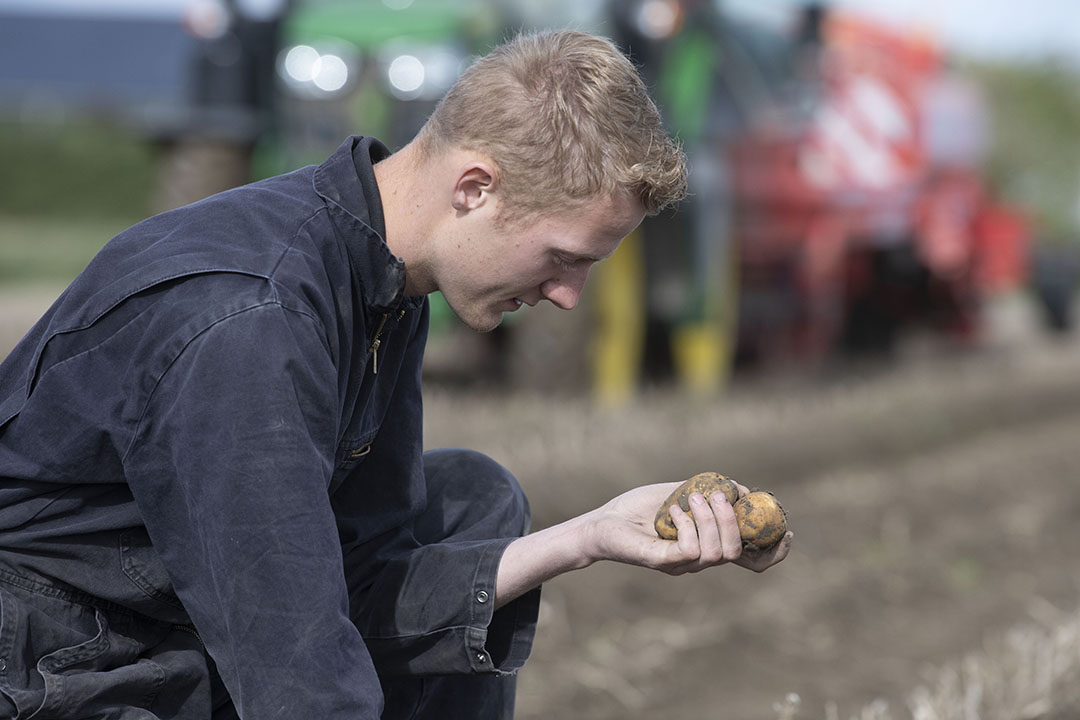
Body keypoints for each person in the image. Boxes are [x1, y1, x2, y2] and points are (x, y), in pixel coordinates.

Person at [0, 30, 792, 720]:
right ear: (475, 188)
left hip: (166, 618)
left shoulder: (381, 278)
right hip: (65, 659)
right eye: (562, 258)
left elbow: (363, 573)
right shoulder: (252, 323)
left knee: (471, 499)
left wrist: (587, 538)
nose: (566, 296)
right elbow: (294, 665)